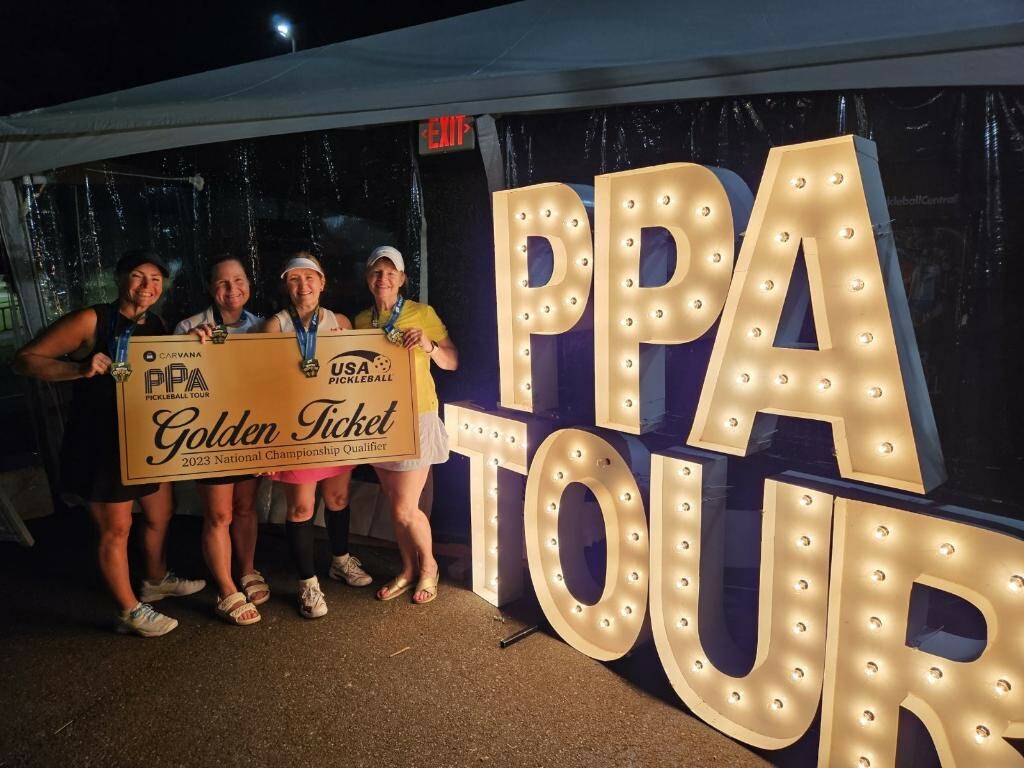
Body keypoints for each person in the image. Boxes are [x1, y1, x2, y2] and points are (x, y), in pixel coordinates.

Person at [13, 249, 205, 637]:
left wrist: (193, 346)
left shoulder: (157, 323)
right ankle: (128, 610)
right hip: (101, 443)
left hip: (145, 440)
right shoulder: (92, 319)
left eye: (155, 279)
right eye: (137, 276)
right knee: (115, 530)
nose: (146, 286)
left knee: (159, 514)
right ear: (120, 279)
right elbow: (26, 360)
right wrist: (78, 369)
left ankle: (154, 579)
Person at [262, 251, 372, 619]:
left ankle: (339, 560)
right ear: (286, 285)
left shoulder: (339, 321)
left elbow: (360, 374)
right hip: (294, 431)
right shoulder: (275, 325)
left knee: (338, 499)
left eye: (309, 278)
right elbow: (260, 383)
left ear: (322, 283)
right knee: (302, 507)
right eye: (294, 279)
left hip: (335, 424)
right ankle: (307, 583)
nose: (302, 285)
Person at [355, 246, 458, 605]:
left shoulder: (420, 313)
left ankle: (428, 566)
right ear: (368, 278)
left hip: (417, 416)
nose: (383, 279)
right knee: (393, 504)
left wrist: (428, 345)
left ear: (401, 279)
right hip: (378, 421)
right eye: (376, 272)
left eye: (390, 273)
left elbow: (451, 362)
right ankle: (407, 569)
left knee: (404, 508)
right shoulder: (361, 320)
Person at [175, 255, 266, 626]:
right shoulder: (188, 327)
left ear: (249, 283)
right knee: (218, 513)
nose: (233, 290)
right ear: (210, 287)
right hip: (209, 434)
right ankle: (226, 589)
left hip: (251, 430)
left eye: (239, 280)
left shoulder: (263, 326)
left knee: (245, 508)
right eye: (223, 282)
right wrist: (187, 349)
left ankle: (246, 569)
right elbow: (170, 384)